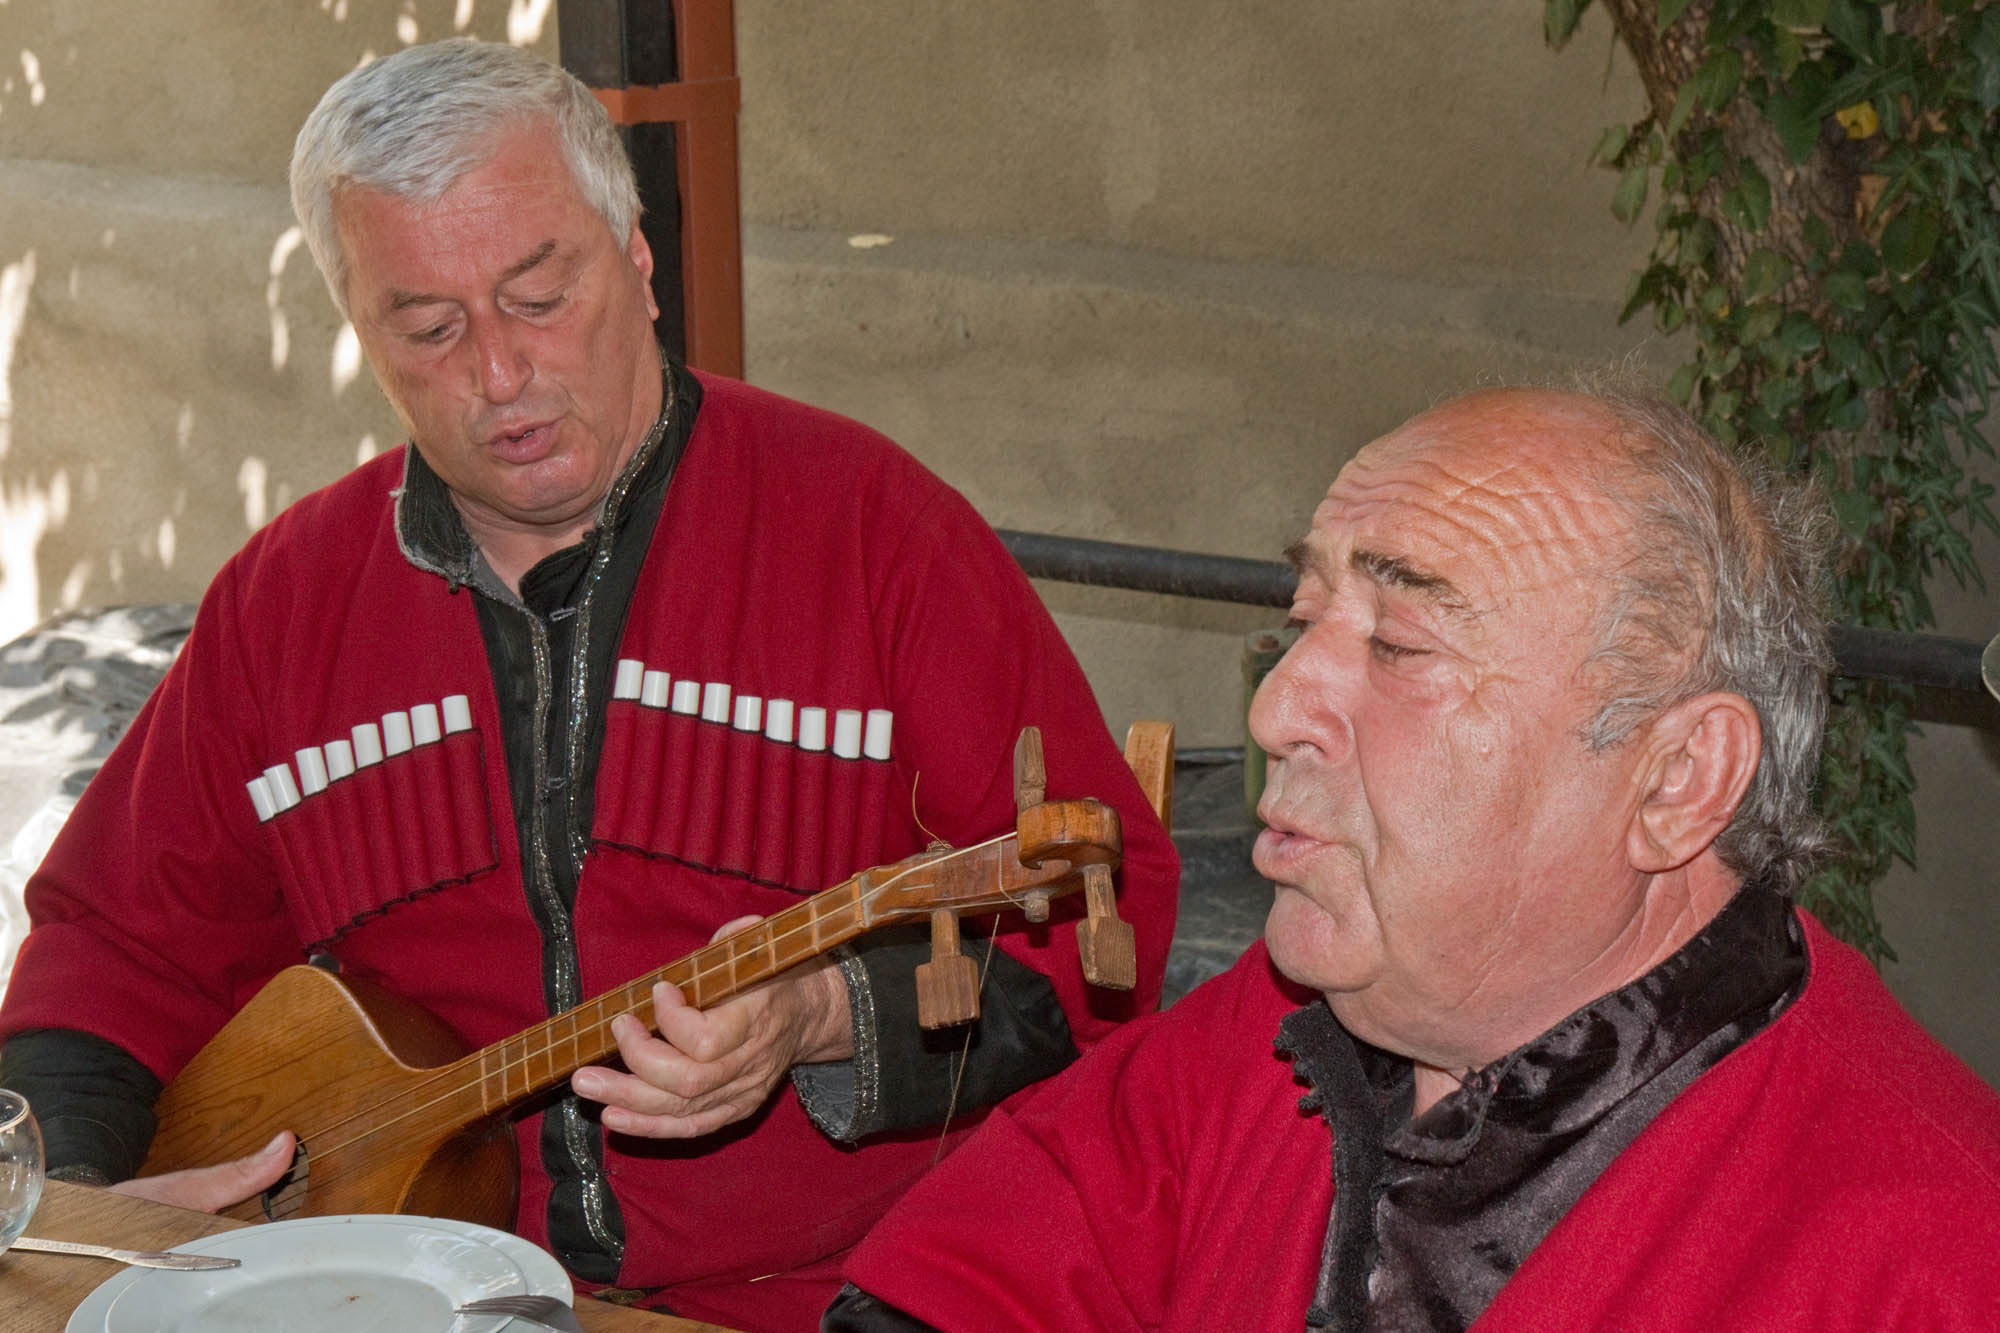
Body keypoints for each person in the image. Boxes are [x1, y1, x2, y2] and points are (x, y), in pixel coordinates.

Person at [0, 38, 1177, 1331]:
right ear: (364, 335)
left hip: (838, 1295)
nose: (499, 374)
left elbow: (1100, 928)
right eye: (431, 327)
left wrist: (825, 1015)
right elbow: (114, 943)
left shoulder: (874, 534)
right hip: (398, 1288)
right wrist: (79, 1201)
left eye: (539, 295)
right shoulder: (286, 604)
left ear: (639, 259)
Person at [827, 383, 2000, 1331]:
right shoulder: (1279, 1024)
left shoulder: (1932, 1256)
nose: (1279, 703)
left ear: (1676, 777)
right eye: (1300, 618)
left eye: (1398, 642)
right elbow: (975, 1276)